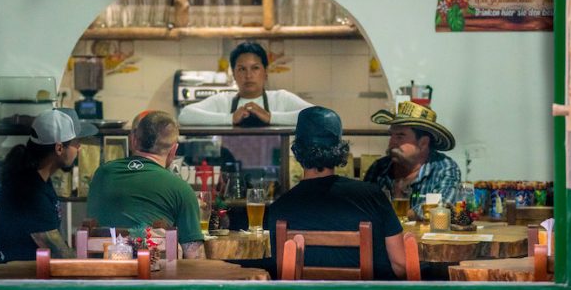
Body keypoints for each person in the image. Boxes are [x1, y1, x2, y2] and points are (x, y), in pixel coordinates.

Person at [267, 106, 406, 280]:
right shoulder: (372, 196)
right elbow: (401, 265)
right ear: (339, 149)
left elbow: (278, 272)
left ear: (297, 151)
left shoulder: (279, 209)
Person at [87, 110, 206, 259]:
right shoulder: (181, 189)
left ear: (134, 141)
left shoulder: (101, 174)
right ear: (173, 150)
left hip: (102, 277)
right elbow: (194, 257)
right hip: (155, 278)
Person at [0, 108, 98, 262]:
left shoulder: (34, 178)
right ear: (59, 148)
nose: (80, 148)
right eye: (76, 143)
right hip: (23, 280)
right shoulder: (31, 195)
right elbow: (61, 256)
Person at [364, 101, 461, 220]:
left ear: (423, 143)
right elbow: (363, 206)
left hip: (424, 238)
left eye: (400, 136)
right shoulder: (380, 168)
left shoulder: (444, 167)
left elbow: (443, 207)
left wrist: (398, 216)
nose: (392, 142)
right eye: (391, 136)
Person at [178, 41, 312, 126]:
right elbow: (185, 115)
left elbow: (317, 116)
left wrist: (270, 117)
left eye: (255, 68)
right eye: (242, 69)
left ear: (265, 72)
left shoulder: (281, 98)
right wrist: (230, 118)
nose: (248, 75)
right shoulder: (223, 101)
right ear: (234, 74)